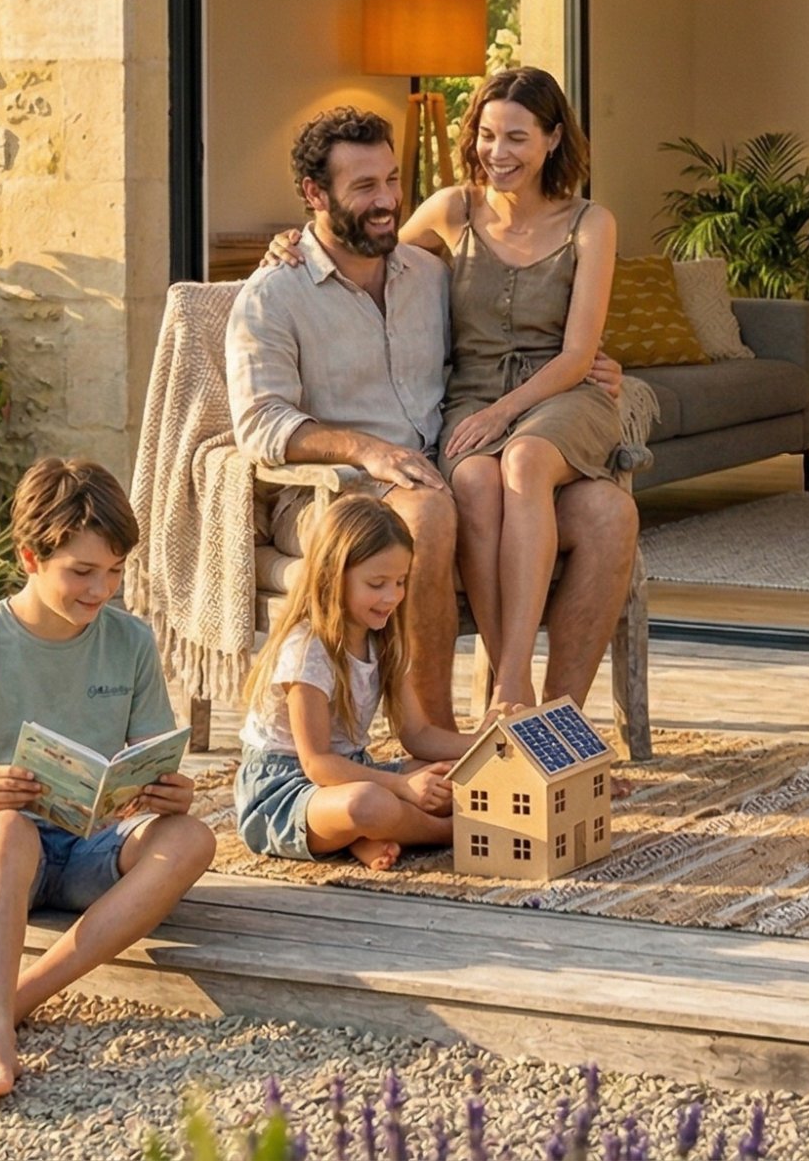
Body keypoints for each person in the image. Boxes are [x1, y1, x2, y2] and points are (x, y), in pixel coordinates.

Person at [228, 103, 636, 727]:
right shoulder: (273, 294)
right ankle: (438, 738)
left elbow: (506, 338)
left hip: (442, 468)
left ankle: (553, 731)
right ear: (314, 194)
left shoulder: (427, 273)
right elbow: (260, 425)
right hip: (331, 495)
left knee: (609, 513)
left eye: (393, 180)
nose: (388, 199)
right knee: (430, 510)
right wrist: (366, 451)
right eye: (365, 187)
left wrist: (596, 367)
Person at [0, 458, 215, 1105]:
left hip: (88, 843)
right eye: (82, 572)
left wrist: (170, 793)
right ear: (29, 557)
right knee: (7, 832)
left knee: (190, 838)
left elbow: (151, 762)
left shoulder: (130, 641)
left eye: (114, 571)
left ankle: (28, 994)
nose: (100, 589)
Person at [401, 67, 622, 714]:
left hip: (562, 391)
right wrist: (292, 246)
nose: (498, 154)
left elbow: (579, 353)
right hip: (470, 391)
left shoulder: (590, 222)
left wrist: (504, 413)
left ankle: (512, 677)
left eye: (517, 138)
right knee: (472, 481)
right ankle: (513, 687)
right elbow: (366, 253)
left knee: (522, 461)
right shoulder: (451, 210)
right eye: (488, 136)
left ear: (553, 139)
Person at [236, 493, 473, 869]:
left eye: (400, 581)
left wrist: (490, 744)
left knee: (454, 777)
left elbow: (418, 735)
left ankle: (365, 836)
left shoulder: (384, 638)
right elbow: (316, 765)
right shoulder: (308, 650)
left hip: (352, 769)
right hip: (285, 789)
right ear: (333, 575)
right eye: (377, 583)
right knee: (368, 804)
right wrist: (400, 788)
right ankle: (451, 832)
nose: (392, 596)